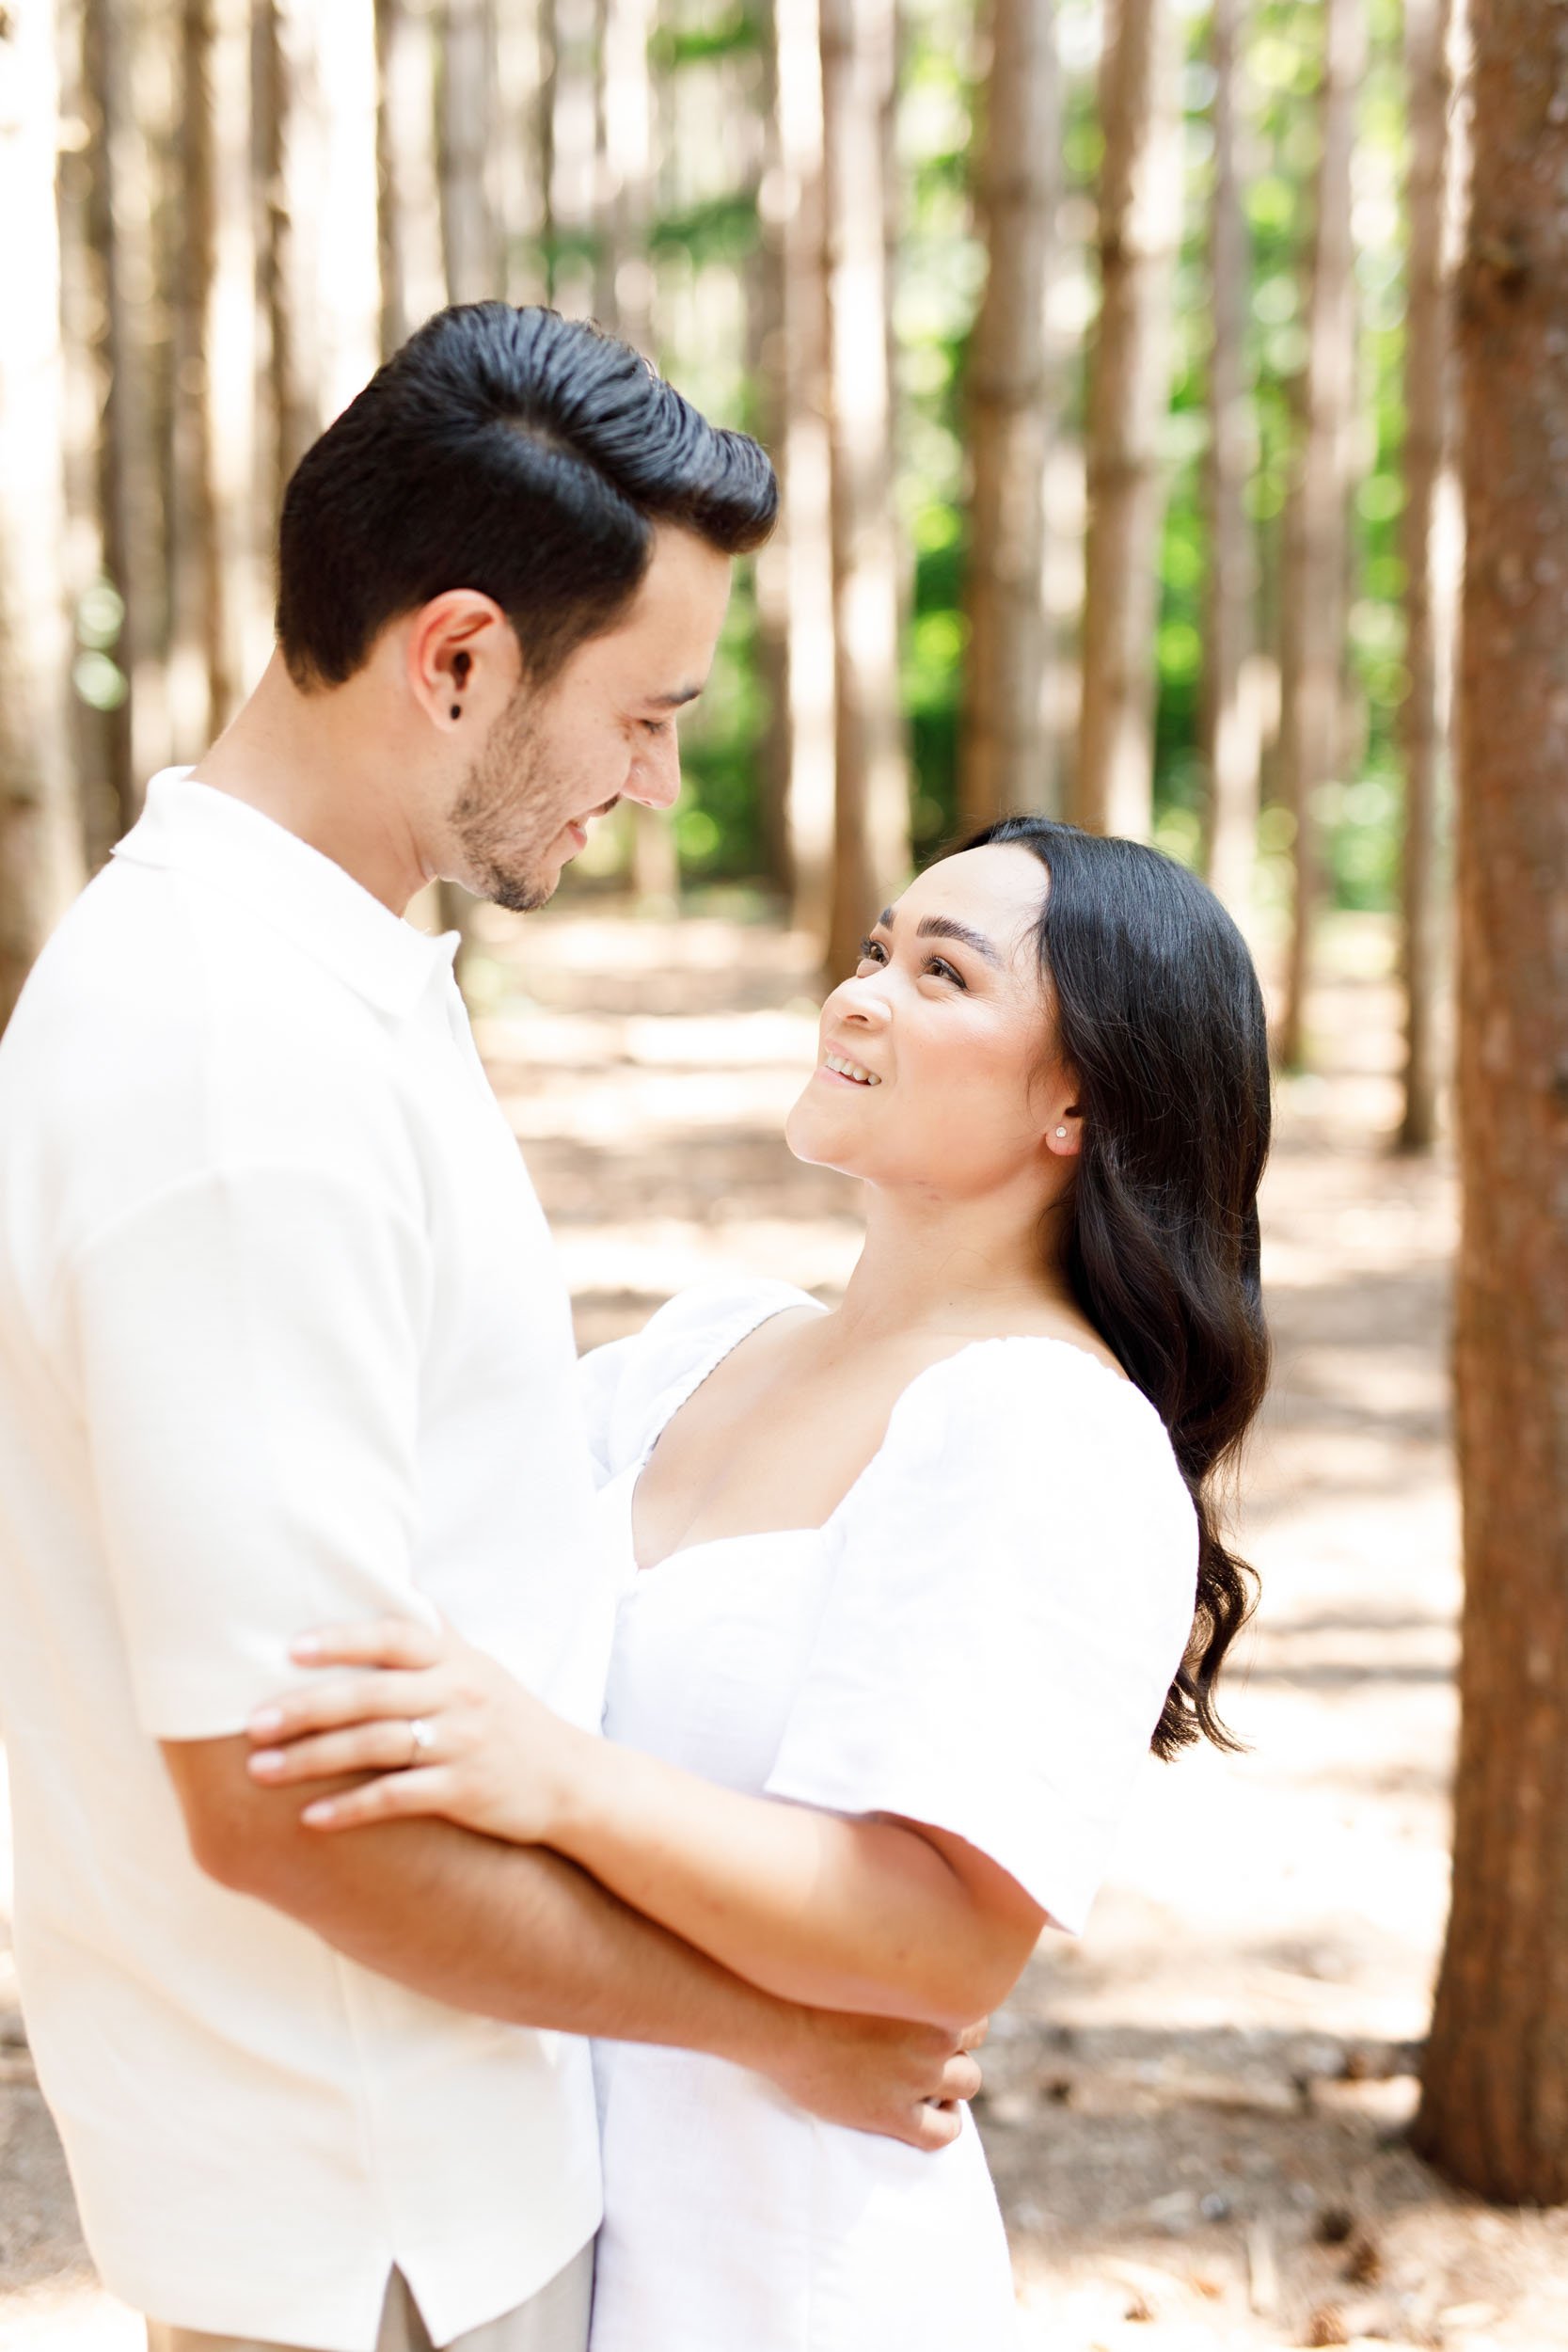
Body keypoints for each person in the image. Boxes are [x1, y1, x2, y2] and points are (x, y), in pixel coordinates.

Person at [0, 305, 982, 2352]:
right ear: (455, 659)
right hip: (380, 2236)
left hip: (429, 2170)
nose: (658, 776)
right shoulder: (230, 1073)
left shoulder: (323, 971)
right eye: (645, 712)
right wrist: (776, 2021)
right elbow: (286, 1806)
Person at [246, 816, 1274, 2351]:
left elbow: (938, 1946)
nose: (859, 995)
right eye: (875, 952)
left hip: (787, 2277)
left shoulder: (1046, 1432)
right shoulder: (691, 1354)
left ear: (1079, 1096)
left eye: (944, 976)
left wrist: (554, 1782)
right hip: (515, 2238)